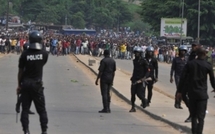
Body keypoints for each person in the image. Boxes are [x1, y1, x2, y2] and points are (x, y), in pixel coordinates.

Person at [177, 47, 215, 134]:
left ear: (197, 54)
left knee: (194, 115)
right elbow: (212, 80)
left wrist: (179, 91)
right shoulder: (208, 65)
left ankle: (194, 132)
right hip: (202, 94)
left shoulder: (190, 64)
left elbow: (183, 78)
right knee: (201, 117)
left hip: (192, 93)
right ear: (205, 54)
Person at [16, 31, 49, 134]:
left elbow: (20, 71)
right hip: (37, 84)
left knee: (25, 109)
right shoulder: (44, 54)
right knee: (41, 110)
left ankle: (26, 130)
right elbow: (42, 64)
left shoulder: (24, 54)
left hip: (25, 84)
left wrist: (18, 85)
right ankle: (44, 130)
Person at [129, 46, 149, 112]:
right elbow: (135, 69)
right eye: (135, 53)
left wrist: (145, 77)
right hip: (134, 79)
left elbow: (148, 70)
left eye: (138, 53)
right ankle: (133, 107)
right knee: (133, 94)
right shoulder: (134, 61)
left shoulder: (144, 61)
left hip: (141, 79)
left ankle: (144, 100)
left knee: (139, 94)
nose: (136, 54)